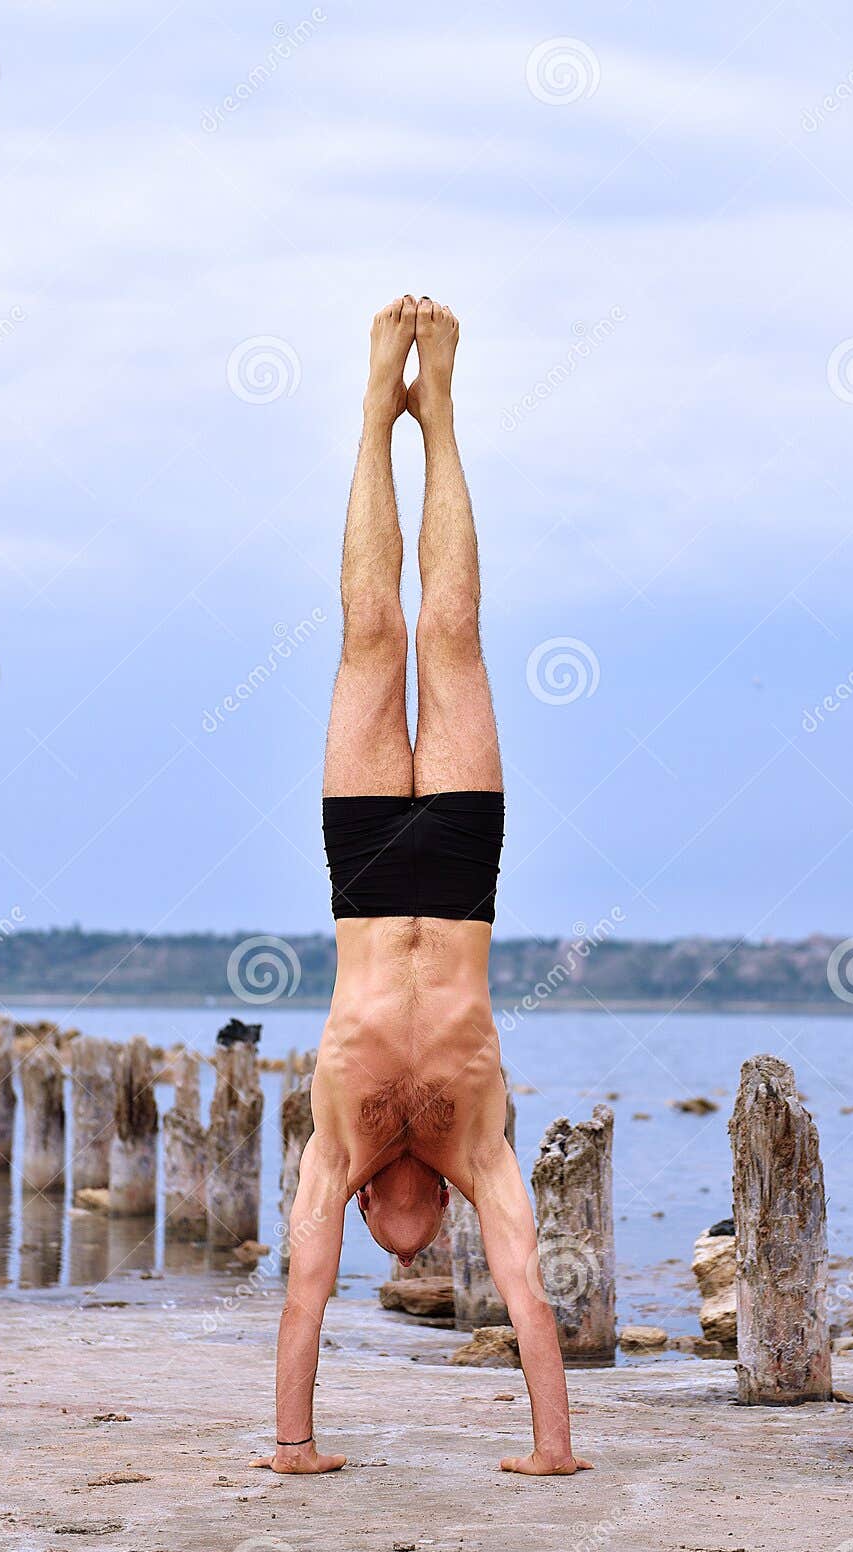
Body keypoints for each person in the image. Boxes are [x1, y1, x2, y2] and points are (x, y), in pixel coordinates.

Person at [252, 297, 589, 1478]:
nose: (401, 1255)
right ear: (437, 1216)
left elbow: (303, 1289)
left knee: (367, 634)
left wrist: (293, 1443)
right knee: (448, 631)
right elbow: (529, 1285)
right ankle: (432, 412)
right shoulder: (478, 1144)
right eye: (415, 1253)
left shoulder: (336, 1152)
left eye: (386, 1255)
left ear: (368, 1218)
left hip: (362, 875)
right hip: (458, 879)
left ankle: (377, 409)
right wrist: (552, 1446)